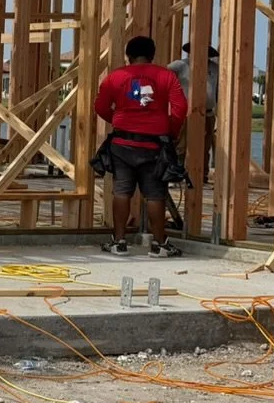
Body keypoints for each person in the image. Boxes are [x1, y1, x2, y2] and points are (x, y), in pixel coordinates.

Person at [93, 35, 188, 256]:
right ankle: (160, 245)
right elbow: (180, 109)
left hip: (122, 143)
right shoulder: (166, 76)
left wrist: (119, 120)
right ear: (152, 55)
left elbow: (100, 106)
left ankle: (119, 242)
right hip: (154, 145)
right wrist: (170, 131)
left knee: (122, 190)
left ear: (129, 56)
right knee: (155, 194)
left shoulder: (115, 77)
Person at [168, 45, 220, 175]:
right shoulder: (179, 66)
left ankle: (202, 175)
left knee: (204, 146)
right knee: (180, 145)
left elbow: (217, 90)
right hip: (185, 113)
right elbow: (164, 78)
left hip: (207, 113)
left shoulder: (214, 68)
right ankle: (177, 173)